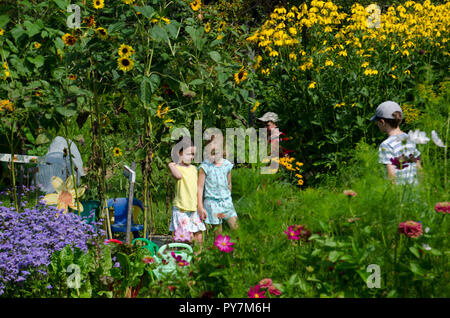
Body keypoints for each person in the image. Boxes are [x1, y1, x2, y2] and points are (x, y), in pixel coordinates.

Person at [168, 137, 206, 252]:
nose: (192, 157)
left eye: (193, 154)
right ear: (179, 153)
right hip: (182, 209)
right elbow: (178, 176)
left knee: (199, 238)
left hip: (194, 209)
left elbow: (199, 188)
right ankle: (181, 260)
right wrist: (171, 165)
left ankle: (198, 261)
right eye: (189, 154)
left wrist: (201, 207)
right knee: (185, 238)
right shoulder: (177, 168)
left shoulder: (194, 168)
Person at [370, 101, 422, 185]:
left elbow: (391, 176)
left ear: (382, 122)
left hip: (400, 194)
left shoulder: (386, 145)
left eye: (377, 122)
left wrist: (392, 196)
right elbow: (418, 166)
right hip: (414, 191)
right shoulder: (409, 138)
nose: (377, 124)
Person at [197, 135, 238, 235]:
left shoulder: (227, 165)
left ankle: (237, 250)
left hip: (226, 202)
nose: (215, 146)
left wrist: (229, 199)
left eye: (218, 143)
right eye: (212, 143)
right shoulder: (205, 166)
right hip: (212, 204)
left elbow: (229, 183)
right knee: (218, 233)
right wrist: (200, 206)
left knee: (236, 229)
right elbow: (200, 187)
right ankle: (219, 250)